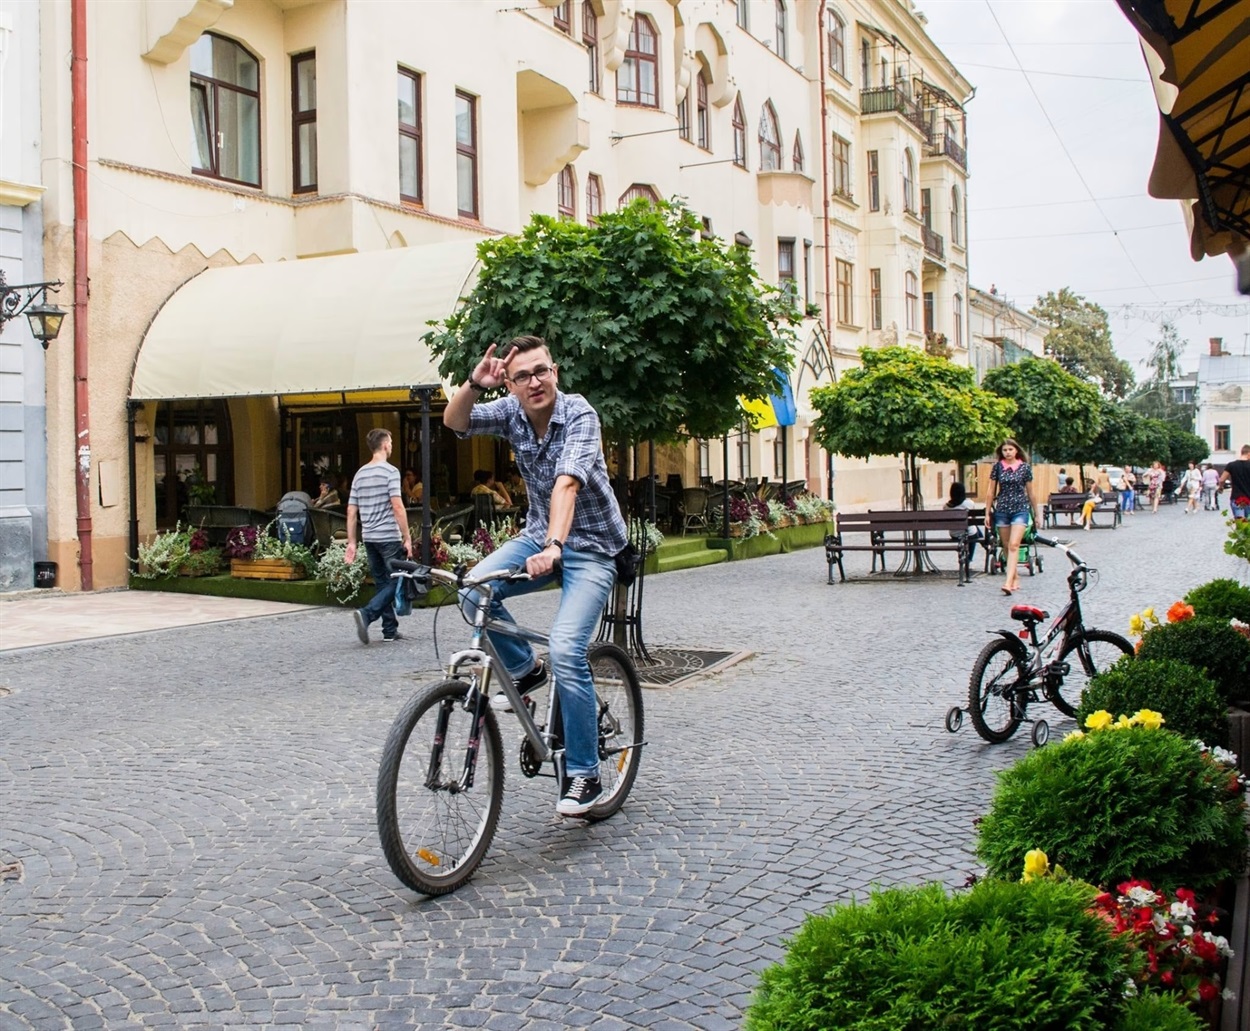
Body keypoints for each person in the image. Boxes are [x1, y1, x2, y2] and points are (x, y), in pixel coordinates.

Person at [444, 335, 628, 817]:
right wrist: (473, 384)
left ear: (556, 372)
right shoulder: (509, 409)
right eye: (522, 375)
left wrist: (554, 546)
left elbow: (568, 482)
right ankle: (526, 668)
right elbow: (455, 421)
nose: (534, 381)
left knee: (569, 648)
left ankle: (586, 774)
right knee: (471, 594)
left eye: (541, 371)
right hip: (539, 538)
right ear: (510, 382)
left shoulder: (580, 414)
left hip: (588, 548)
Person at [345, 428, 413, 644]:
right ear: (385, 445)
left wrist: (352, 542)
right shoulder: (390, 472)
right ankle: (367, 614)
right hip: (388, 536)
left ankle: (389, 630)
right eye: (391, 442)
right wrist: (407, 537)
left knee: (383, 582)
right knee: (401, 579)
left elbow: (351, 511)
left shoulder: (359, 474)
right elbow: (397, 506)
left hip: (369, 537)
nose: (391, 446)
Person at [983, 438, 1037, 595]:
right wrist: (987, 513)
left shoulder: (1025, 468)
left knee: (1014, 545)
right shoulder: (997, 468)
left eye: (1010, 450)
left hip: (1020, 509)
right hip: (1002, 510)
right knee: (1006, 545)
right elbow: (990, 491)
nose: (1007, 453)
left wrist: (1037, 513)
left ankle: (1007, 582)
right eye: (1004, 450)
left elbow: (1031, 492)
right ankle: (1014, 576)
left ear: (1016, 451)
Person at [945, 482, 982, 571]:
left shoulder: (946, 506)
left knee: (974, 529)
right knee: (974, 531)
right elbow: (973, 518)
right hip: (968, 533)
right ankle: (969, 559)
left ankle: (983, 542)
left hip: (954, 534)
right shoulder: (969, 503)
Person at [1218, 445, 1250, 521]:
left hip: (1237, 498)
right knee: (1248, 525)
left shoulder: (1231, 465)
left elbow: (1222, 479)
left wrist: (1221, 487)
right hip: (1249, 498)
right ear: (1249, 453)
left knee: (1240, 524)